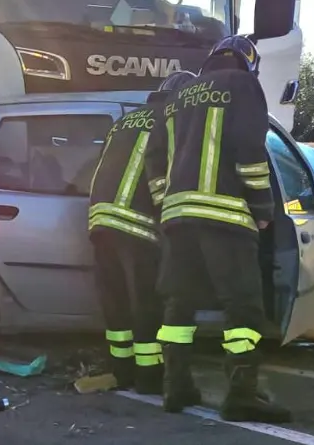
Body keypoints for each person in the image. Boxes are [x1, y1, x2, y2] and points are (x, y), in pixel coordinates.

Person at [155, 35, 291, 423]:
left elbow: (161, 157)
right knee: (244, 307)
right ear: (248, 63)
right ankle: (242, 394)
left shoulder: (180, 94)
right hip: (225, 214)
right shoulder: (242, 85)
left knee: (178, 304)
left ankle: (175, 387)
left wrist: (170, 206)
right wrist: (263, 207)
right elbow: (250, 150)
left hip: (177, 217)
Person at [85, 70, 195, 394]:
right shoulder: (172, 121)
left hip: (101, 220)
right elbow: (166, 173)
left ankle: (123, 370)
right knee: (146, 302)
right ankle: (149, 377)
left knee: (116, 302)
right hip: (137, 223)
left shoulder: (125, 121)